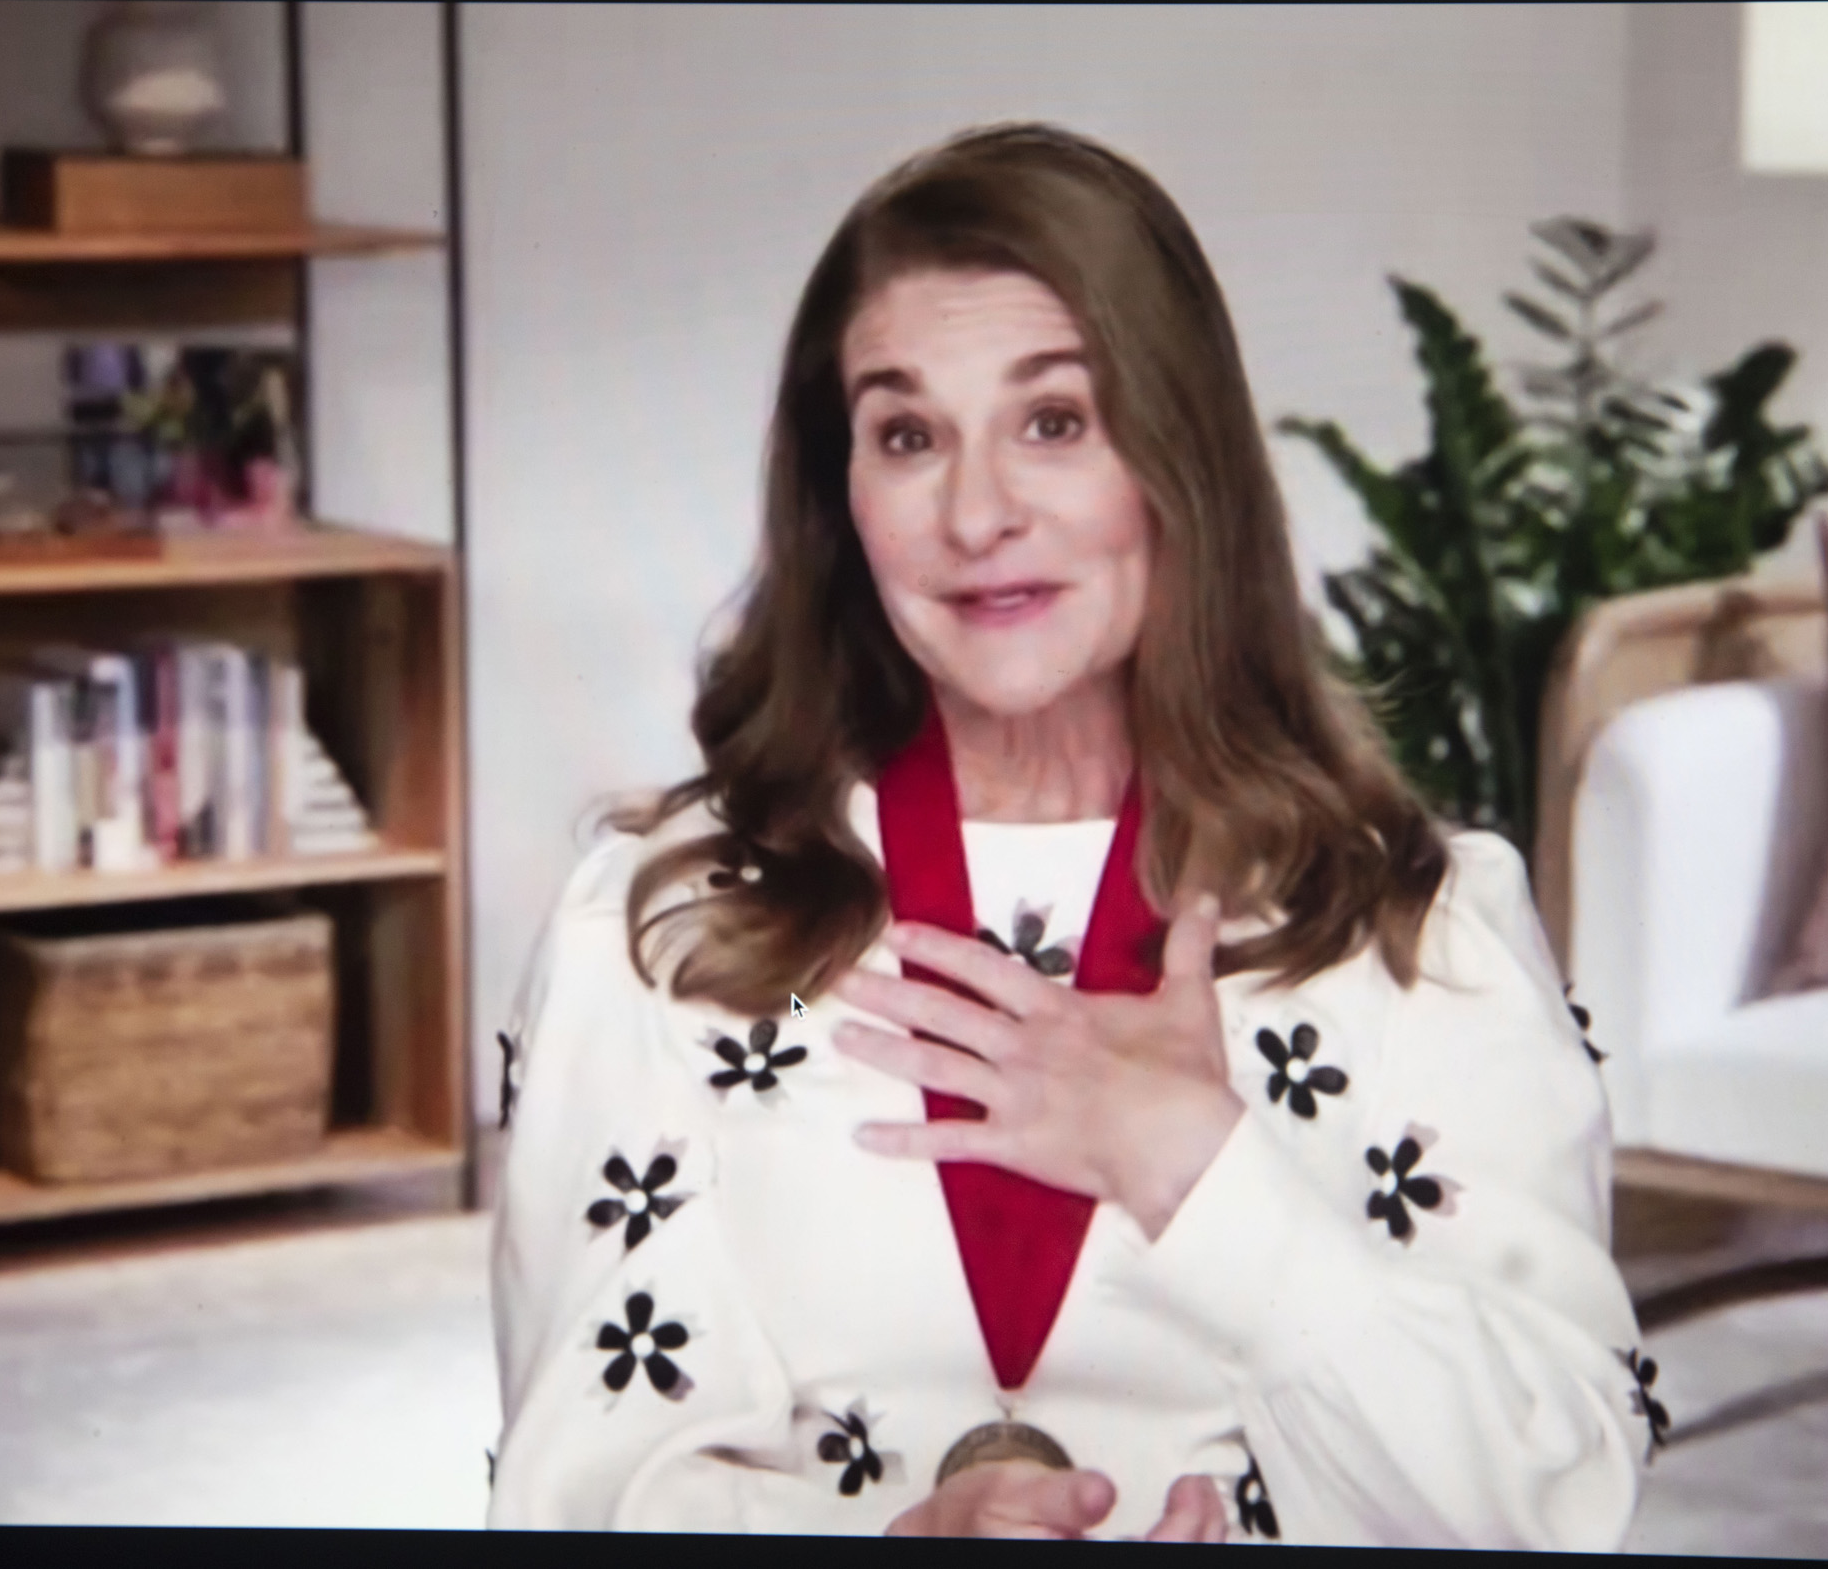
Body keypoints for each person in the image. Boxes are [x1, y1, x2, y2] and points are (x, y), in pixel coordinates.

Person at [488, 122, 1650, 1546]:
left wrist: (1204, 1173)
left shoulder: (1416, 928)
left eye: (1055, 422)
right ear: (840, 494)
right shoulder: (685, 943)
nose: (978, 514)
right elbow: (584, 1496)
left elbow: (1557, 1502)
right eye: (908, 435)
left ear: (1181, 463)